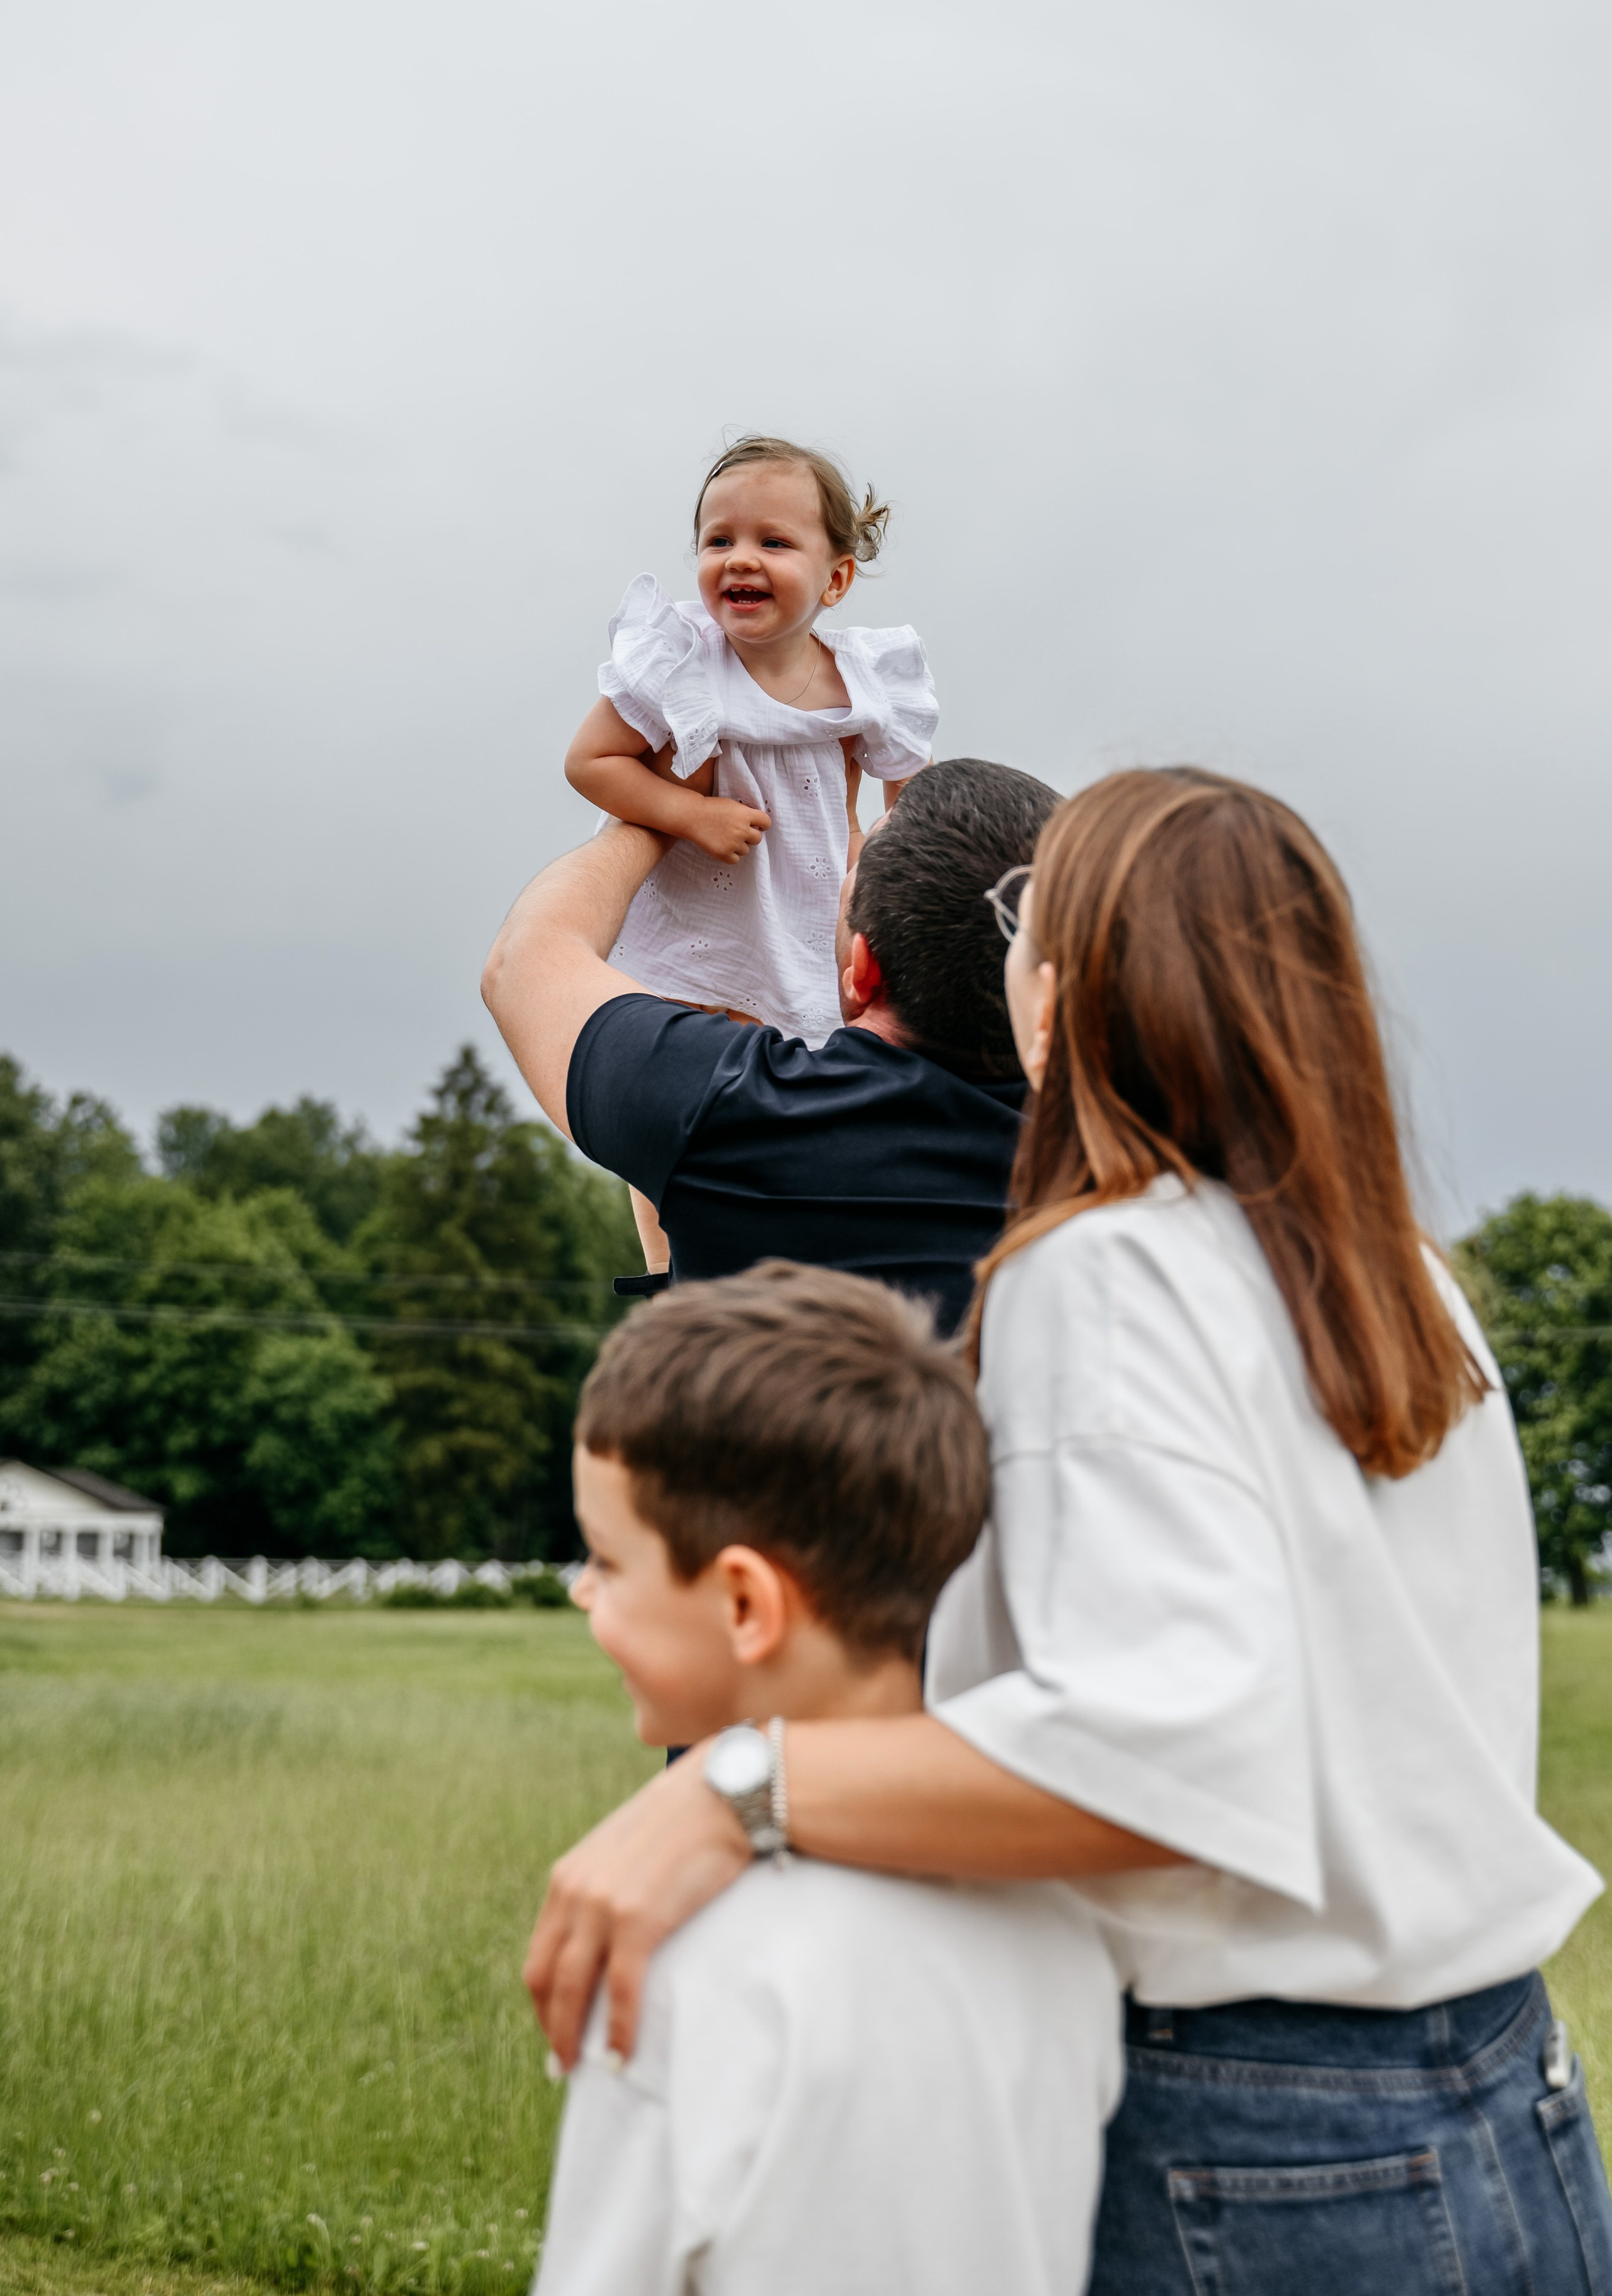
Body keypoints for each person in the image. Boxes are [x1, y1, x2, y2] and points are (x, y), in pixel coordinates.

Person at [522, 767, 1612, 2296]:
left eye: (1036, 922)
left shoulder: (1103, 1274)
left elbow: (1166, 1759)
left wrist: (729, 1795)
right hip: (1518, 2096)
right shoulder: (1396, 1281)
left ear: (1069, 988)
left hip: (1258, 2128)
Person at [533, 1263, 1122, 2296]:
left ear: (747, 1605)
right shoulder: (1062, 1926)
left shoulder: (668, 1964)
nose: (585, 1591)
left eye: (608, 1562)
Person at [481, 756, 1057, 1334]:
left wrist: (662, 814)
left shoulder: (732, 1109)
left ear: (864, 971)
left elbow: (522, 962)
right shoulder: (1117, 1156)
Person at [562, 435, 938, 1267]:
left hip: (804, 916)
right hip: (700, 915)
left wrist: (878, 870)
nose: (742, 559)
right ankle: (671, 1266)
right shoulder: (684, 663)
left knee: (794, 1098)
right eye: (719, 540)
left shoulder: (867, 680)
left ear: (836, 577)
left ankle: (788, 1253)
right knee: (678, 1105)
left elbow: (913, 803)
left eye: (774, 542)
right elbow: (592, 761)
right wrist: (687, 814)